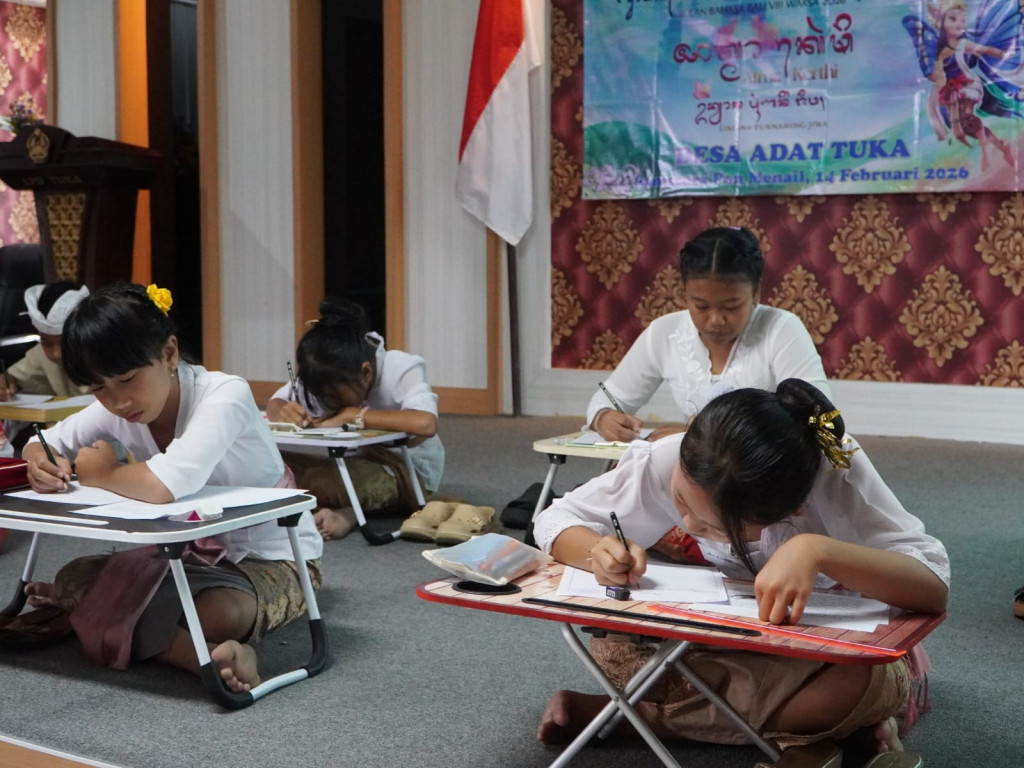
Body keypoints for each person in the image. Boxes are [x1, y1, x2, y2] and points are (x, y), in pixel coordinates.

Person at [534, 379, 949, 765]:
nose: (690, 525)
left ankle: (634, 718)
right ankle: (815, 737)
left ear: (794, 508)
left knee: (859, 681)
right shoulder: (672, 456)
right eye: (680, 500)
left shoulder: (836, 472)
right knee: (615, 646)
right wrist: (598, 552)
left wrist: (818, 550)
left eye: (716, 527)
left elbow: (931, 586)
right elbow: (556, 520)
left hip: (817, 651)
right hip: (721, 633)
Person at [22, 282, 323, 692]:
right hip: (183, 556)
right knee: (73, 575)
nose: (118, 402)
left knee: (207, 613)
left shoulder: (224, 394)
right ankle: (199, 655)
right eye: (98, 387)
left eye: (128, 379)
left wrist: (100, 474)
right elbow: (43, 440)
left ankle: (108, 620)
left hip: (273, 557)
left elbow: (163, 485)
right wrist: (39, 460)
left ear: (169, 353)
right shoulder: (118, 405)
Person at [585, 226, 830, 443]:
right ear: (684, 294)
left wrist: (696, 433)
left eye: (732, 306)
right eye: (700, 306)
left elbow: (818, 420)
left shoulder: (781, 329)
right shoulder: (666, 332)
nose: (715, 320)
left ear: (756, 293)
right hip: (691, 475)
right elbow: (610, 397)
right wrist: (604, 417)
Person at [266, 297, 444, 540]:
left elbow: (426, 423)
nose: (325, 402)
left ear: (366, 373)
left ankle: (346, 514)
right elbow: (276, 403)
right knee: (267, 464)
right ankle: (330, 509)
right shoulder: (324, 375)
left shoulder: (400, 367)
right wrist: (283, 412)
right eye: (318, 394)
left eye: (332, 396)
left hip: (404, 468)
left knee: (322, 482)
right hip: (346, 464)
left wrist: (354, 415)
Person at [903, 0, 1023, 173]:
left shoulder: (963, 44)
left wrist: (1003, 53)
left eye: (962, 20)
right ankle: (1000, 145)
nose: (959, 24)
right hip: (952, 89)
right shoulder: (941, 50)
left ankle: (984, 149)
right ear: (940, 23)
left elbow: (985, 49)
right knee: (965, 125)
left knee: (966, 116)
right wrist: (938, 74)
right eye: (953, 19)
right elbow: (936, 73)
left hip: (967, 84)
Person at [0, 281, 93, 452]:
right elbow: (14, 377)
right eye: (46, 342)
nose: (56, 354)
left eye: (65, 342)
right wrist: (6, 383)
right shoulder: (41, 355)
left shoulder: (108, 353)